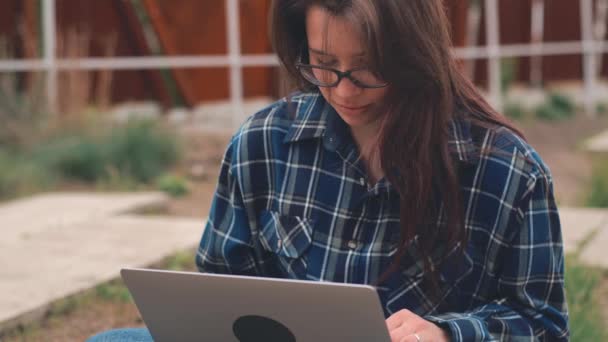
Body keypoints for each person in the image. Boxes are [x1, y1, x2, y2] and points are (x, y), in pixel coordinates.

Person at [88, 0, 569, 341]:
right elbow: (218, 293)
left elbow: (544, 326)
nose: (343, 91)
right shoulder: (263, 142)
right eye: (323, 65)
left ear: (413, 54)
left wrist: (448, 333)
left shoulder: (507, 170)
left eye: (367, 67)